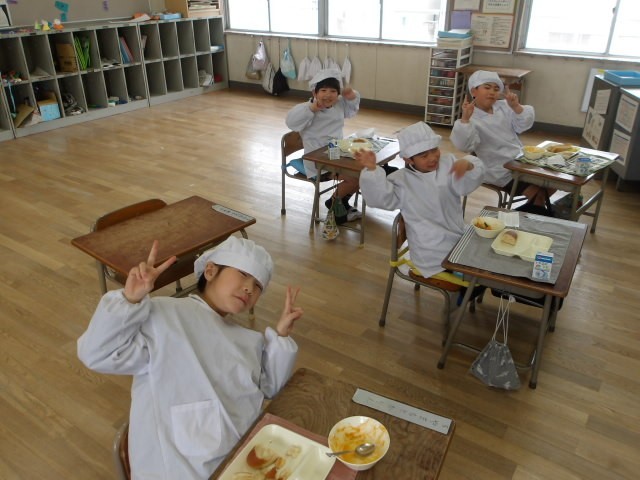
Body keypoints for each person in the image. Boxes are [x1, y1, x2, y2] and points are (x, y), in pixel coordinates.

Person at [77, 237, 303, 480]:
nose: (250, 288)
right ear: (210, 271)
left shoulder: (247, 339)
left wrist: (281, 336)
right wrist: (129, 300)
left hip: (245, 460)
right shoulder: (163, 316)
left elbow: (270, 387)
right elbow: (97, 354)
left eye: (258, 285)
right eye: (243, 274)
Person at [355, 121, 485, 282]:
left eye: (434, 150)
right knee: (476, 276)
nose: (433, 158)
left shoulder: (448, 164)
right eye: (424, 156)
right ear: (409, 159)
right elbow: (380, 199)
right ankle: (465, 290)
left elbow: (465, 186)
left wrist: (469, 164)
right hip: (430, 248)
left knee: (486, 257)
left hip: (456, 232)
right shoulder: (401, 181)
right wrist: (372, 170)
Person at [450, 70, 550, 208]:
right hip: (498, 169)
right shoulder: (471, 117)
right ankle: (532, 211)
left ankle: (531, 209)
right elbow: (464, 145)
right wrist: (465, 119)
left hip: (519, 160)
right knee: (539, 193)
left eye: (496, 89)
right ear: (473, 91)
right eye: (487, 87)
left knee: (553, 182)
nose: (492, 92)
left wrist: (516, 106)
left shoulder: (504, 106)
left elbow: (523, 125)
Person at [285, 68, 362, 224]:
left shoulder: (338, 104)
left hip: (336, 153)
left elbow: (351, 110)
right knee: (356, 178)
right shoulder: (306, 108)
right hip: (317, 162)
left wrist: (352, 96)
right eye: (323, 90)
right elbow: (291, 122)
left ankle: (341, 201)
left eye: (333, 91)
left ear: (338, 94)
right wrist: (311, 109)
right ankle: (334, 203)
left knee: (365, 171)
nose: (328, 95)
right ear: (314, 92)